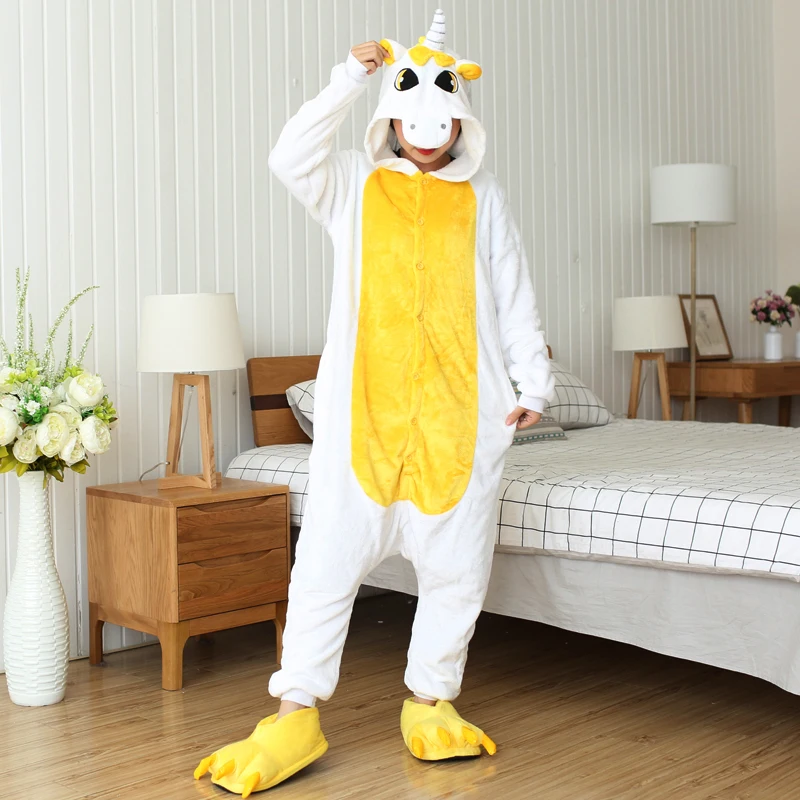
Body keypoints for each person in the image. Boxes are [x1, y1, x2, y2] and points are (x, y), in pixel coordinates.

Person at [194, 10, 553, 797]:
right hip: (364, 421)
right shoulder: (355, 187)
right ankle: (294, 715)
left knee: (456, 572)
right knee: (325, 567)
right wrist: (346, 81)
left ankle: (430, 702)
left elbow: (512, 288)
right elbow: (289, 156)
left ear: (460, 121)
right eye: (410, 115)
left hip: (459, 418)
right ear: (391, 116)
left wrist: (534, 382)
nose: (427, 134)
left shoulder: (483, 196)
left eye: (442, 119)